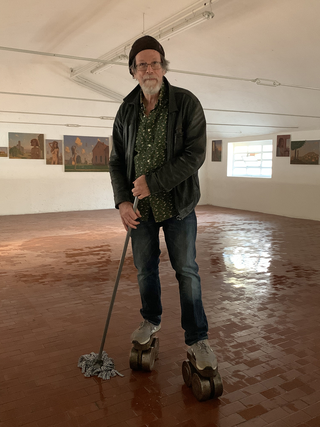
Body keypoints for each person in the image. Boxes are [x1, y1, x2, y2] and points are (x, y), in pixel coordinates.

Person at [109, 35, 217, 372]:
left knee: (186, 271)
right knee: (145, 270)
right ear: (133, 72)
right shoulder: (125, 111)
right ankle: (150, 321)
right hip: (141, 210)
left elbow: (195, 154)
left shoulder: (186, 103)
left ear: (163, 66)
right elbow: (116, 162)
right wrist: (123, 202)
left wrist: (153, 182)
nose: (149, 69)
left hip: (178, 206)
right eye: (142, 64)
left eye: (155, 62)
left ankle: (197, 338)